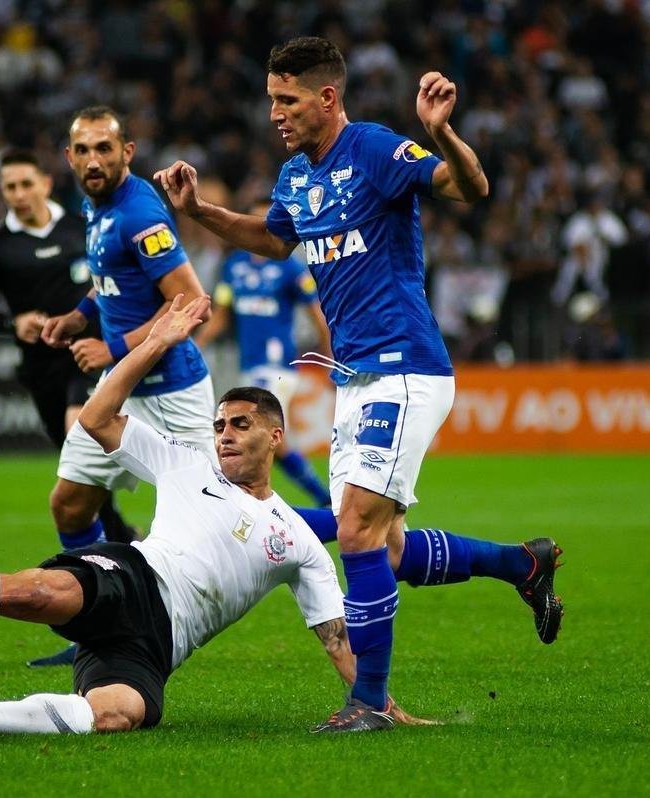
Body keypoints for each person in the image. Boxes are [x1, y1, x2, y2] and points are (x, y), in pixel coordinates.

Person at [0, 294, 429, 734]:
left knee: (119, 715)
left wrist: (380, 703)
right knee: (39, 592)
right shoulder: (186, 462)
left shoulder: (299, 543)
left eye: (241, 425)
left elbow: (337, 639)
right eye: (220, 425)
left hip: (156, 646)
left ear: (275, 437)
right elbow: (96, 419)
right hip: (132, 576)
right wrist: (156, 341)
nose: (225, 435)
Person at [155, 37, 563, 732]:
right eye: (270, 100)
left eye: (287, 100)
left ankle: (369, 701)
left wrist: (441, 134)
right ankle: (524, 565)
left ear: (327, 96)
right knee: (387, 548)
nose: (275, 113)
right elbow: (270, 238)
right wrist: (199, 213)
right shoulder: (293, 177)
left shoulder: (374, 150)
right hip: (355, 381)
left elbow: (470, 188)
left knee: (356, 530)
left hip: (405, 367)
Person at [33, 106, 215, 666]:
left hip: (173, 394)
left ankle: (343, 524)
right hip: (122, 389)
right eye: (83, 150)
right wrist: (79, 314)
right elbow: (112, 283)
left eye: (104, 149)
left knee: (223, 518)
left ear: (127, 153)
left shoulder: (139, 212)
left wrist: (111, 348)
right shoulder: (95, 208)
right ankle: (96, 620)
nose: (93, 160)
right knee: (70, 504)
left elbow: (190, 301)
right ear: (69, 158)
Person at [0, 148, 137, 552]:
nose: (19, 194)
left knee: (81, 429)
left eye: (26, 184)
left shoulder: (82, 227)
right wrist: (14, 323)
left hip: (91, 357)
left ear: (44, 183)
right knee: (77, 471)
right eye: (10, 187)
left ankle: (134, 535)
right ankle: (120, 542)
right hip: (41, 369)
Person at [195, 198, 333, 507]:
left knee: (258, 431)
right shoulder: (234, 267)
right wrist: (197, 343)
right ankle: (310, 498)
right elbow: (222, 316)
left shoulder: (289, 266)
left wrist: (329, 360)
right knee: (266, 438)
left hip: (278, 367)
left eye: (266, 222)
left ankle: (305, 498)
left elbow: (316, 315)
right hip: (248, 366)